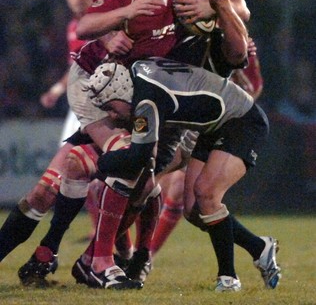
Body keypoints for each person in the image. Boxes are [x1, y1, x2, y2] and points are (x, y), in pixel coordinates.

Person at [2, 0, 250, 289]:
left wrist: (215, 3)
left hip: (138, 96)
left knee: (126, 172)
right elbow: (86, 25)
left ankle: (79, 256)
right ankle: (91, 259)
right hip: (95, 87)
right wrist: (124, 15)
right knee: (124, 165)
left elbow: (241, 9)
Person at [74, 55, 278, 293]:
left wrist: (97, 163)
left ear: (120, 91)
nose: (111, 115)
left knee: (207, 195)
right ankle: (259, 247)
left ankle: (228, 278)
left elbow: (137, 157)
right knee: (193, 210)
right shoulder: (138, 71)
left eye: (109, 107)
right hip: (212, 126)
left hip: (242, 121)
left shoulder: (145, 102)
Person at [150, 45, 263, 257]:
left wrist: (234, 76)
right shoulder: (182, 34)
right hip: (175, 118)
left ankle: (144, 256)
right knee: (185, 207)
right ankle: (127, 254)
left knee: (183, 195)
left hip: (208, 124)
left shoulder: (234, 38)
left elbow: (253, 86)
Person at [39, 0, 101, 236]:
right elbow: (76, 66)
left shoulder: (100, 22)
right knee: (74, 167)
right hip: (79, 102)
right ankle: (97, 228)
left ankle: (104, 230)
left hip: (98, 102)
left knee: (75, 166)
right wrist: (56, 89)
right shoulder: (72, 26)